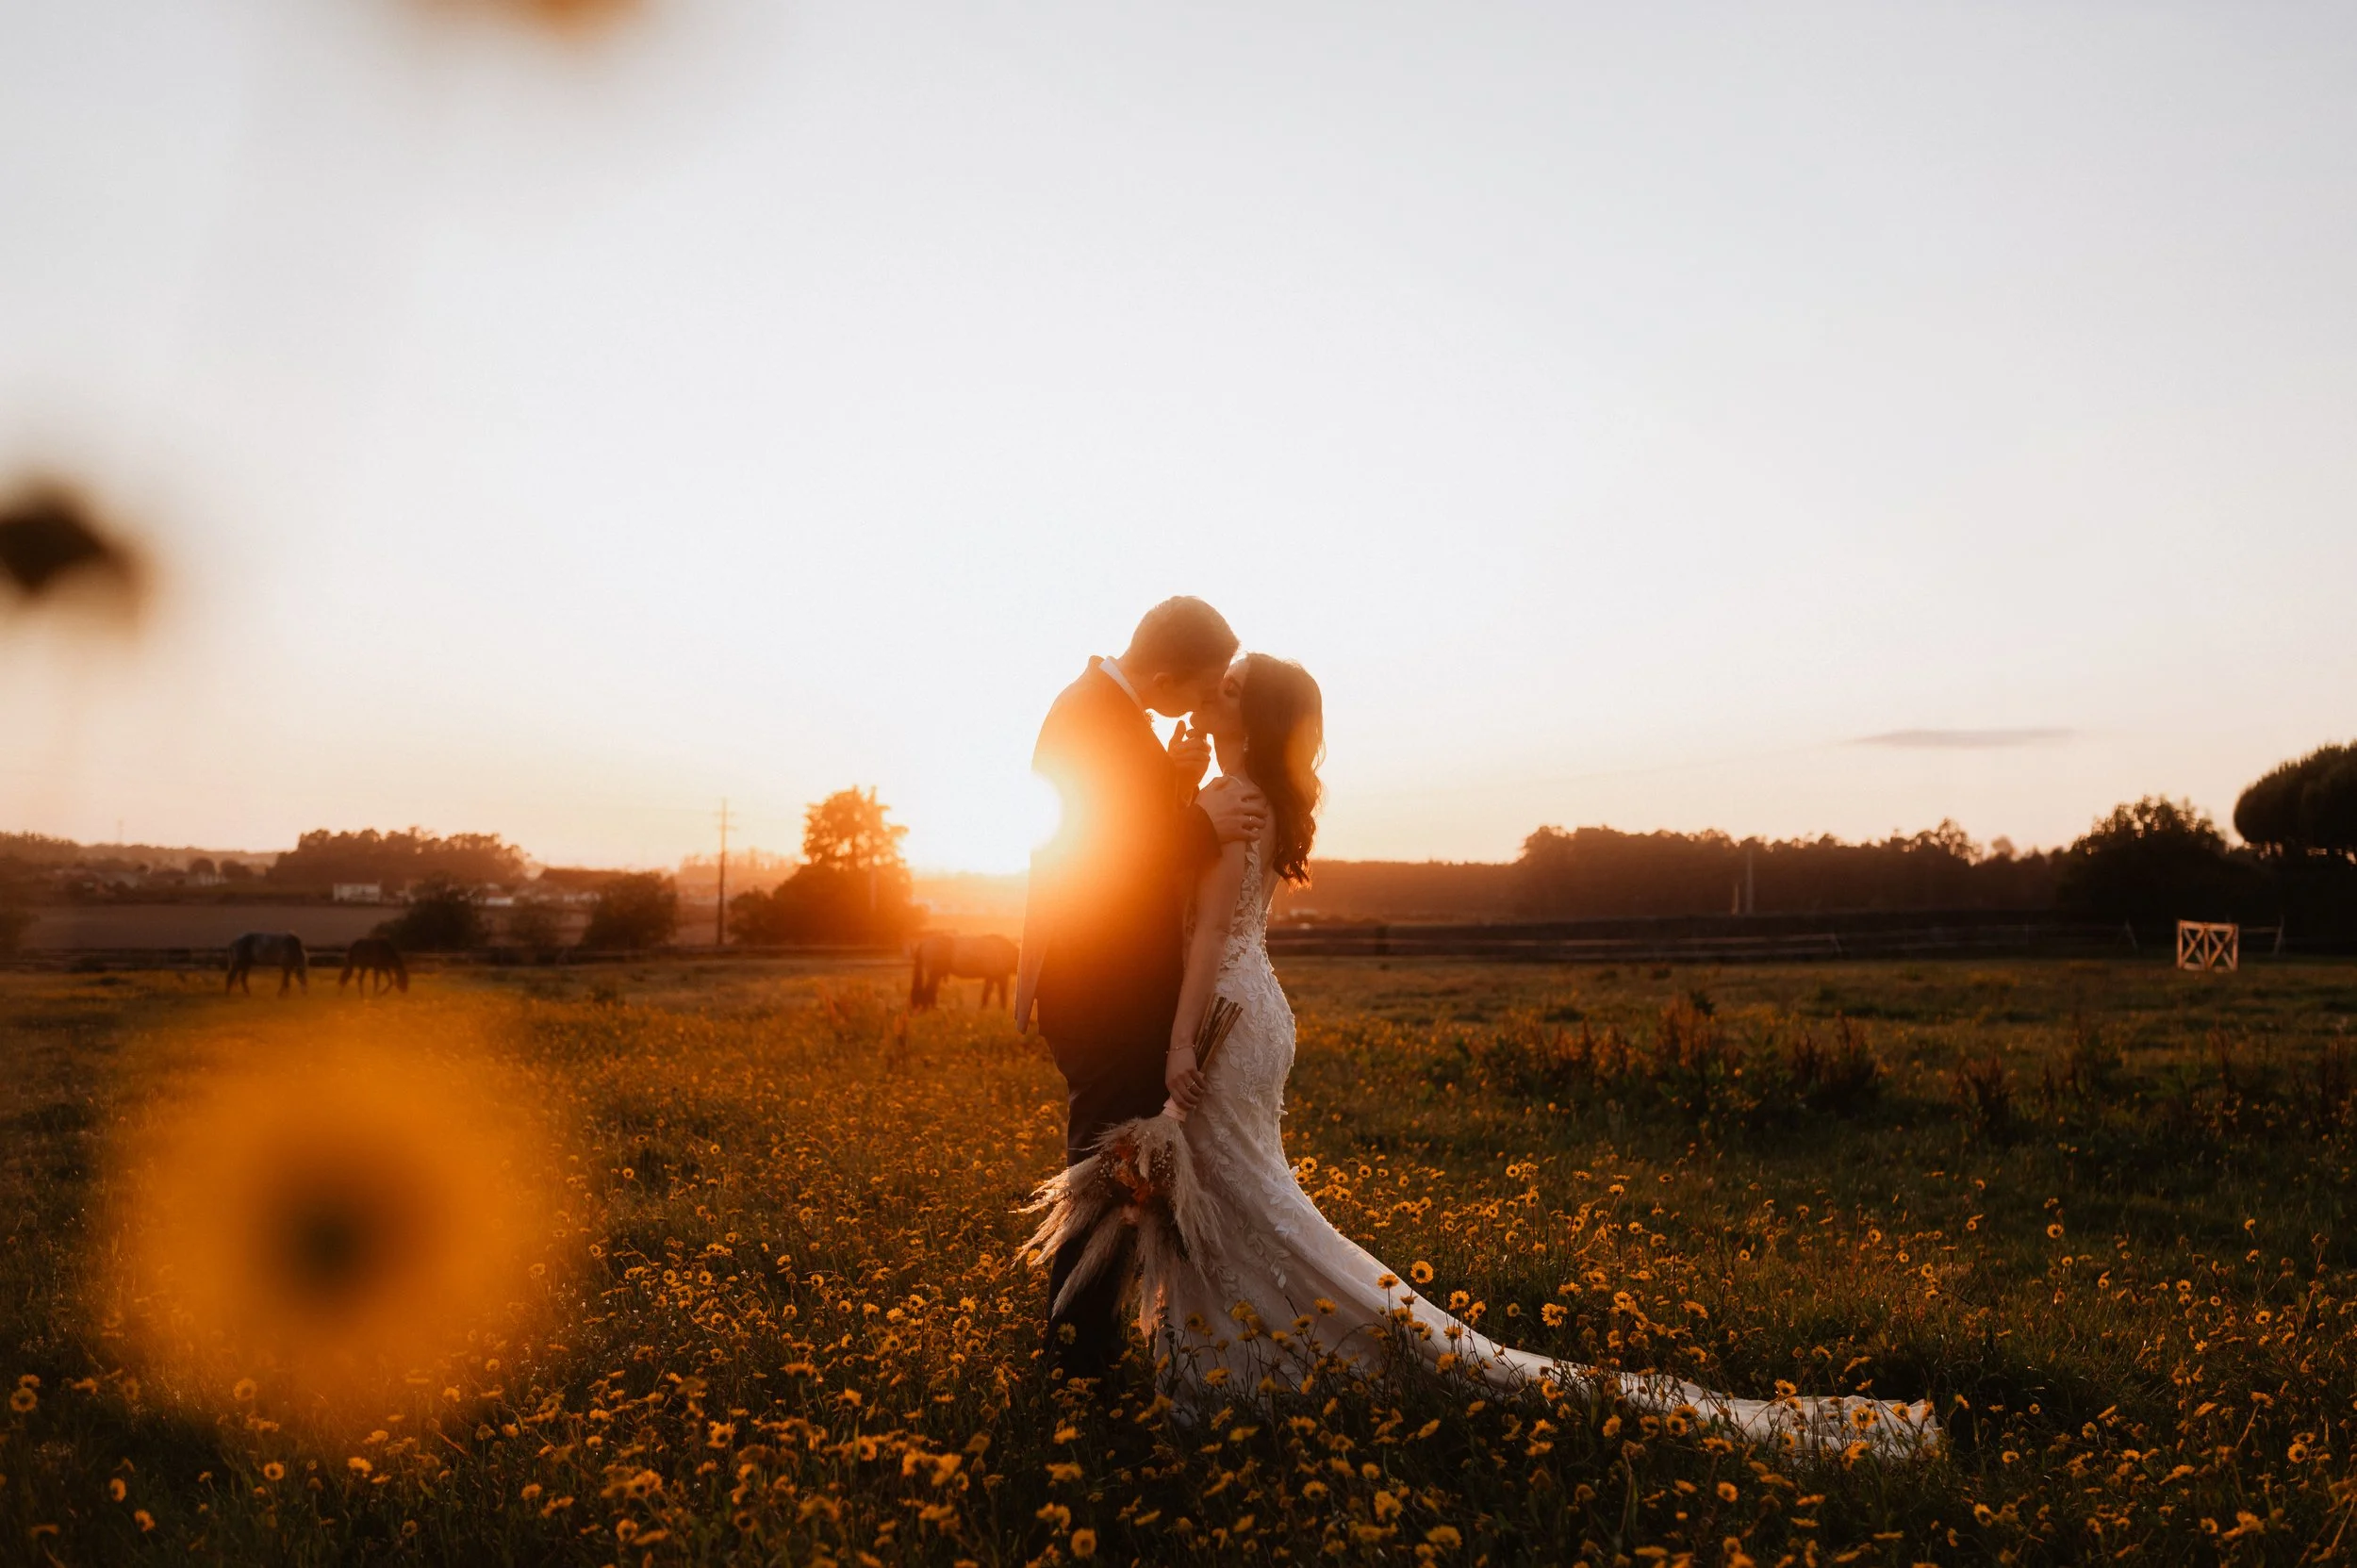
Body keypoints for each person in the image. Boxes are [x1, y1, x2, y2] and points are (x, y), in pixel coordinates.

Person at [1136, 652, 1938, 1458]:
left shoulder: (1232, 802)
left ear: (1258, 716)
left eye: (1232, 687)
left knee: (1231, 1196)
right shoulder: (1247, 796)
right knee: (1238, 1197)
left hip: (1221, 1014)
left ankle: (1242, 1373)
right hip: (1254, 1006)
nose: (1215, 692)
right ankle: (1235, 1365)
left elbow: (1206, 930)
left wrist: (1177, 1041)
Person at [1014, 596, 1267, 1382]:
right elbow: (1101, 848)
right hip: (1104, 991)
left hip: (1114, 986)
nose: (1199, 706)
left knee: (1116, 1167)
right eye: (1196, 690)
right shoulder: (1090, 717)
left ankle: (1088, 1340)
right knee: (1102, 1174)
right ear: (1162, 673)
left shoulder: (1113, 714)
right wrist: (1201, 821)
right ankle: (1075, 1359)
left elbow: (1127, 814)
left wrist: (1176, 776)